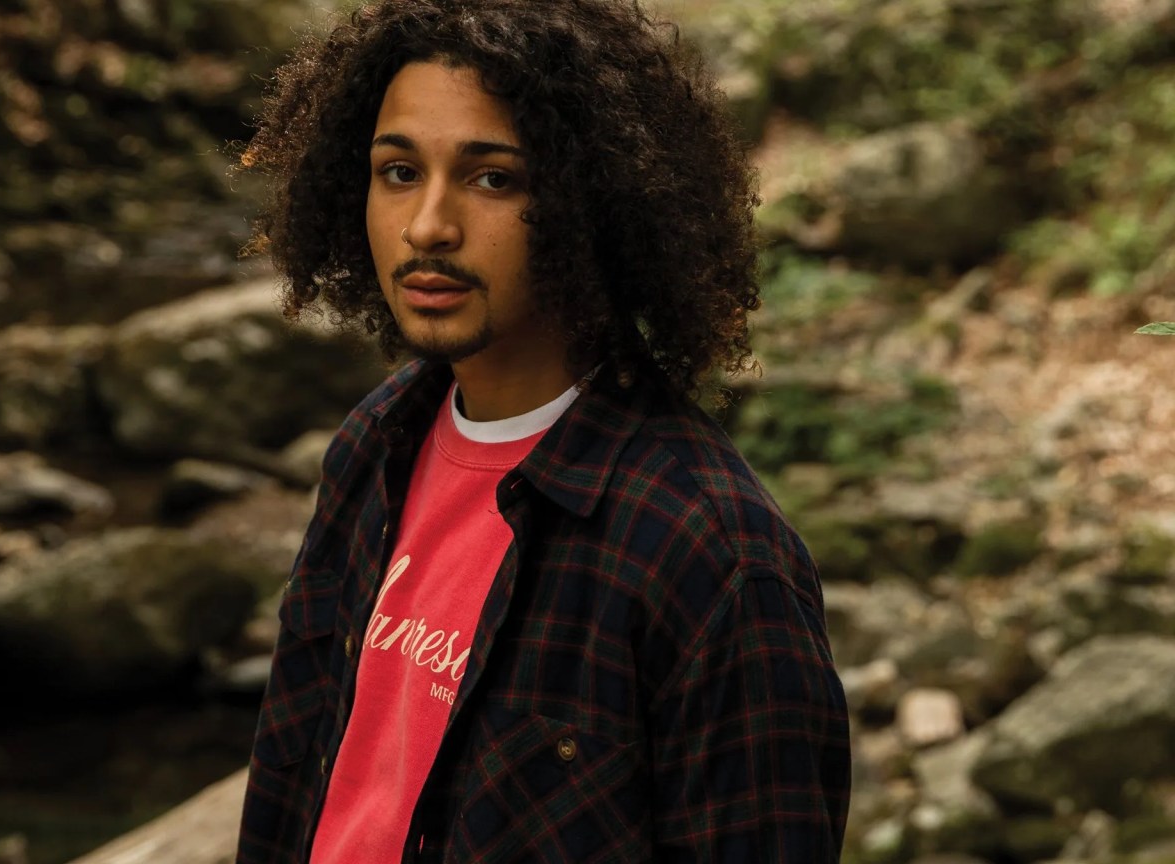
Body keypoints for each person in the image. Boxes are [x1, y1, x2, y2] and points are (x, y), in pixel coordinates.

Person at [235, 1, 850, 861]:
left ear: (593, 201)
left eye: (494, 179)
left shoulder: (712, 558)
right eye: (398, 171)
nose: (427, 227)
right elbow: (292, 781)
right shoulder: (375, 444)